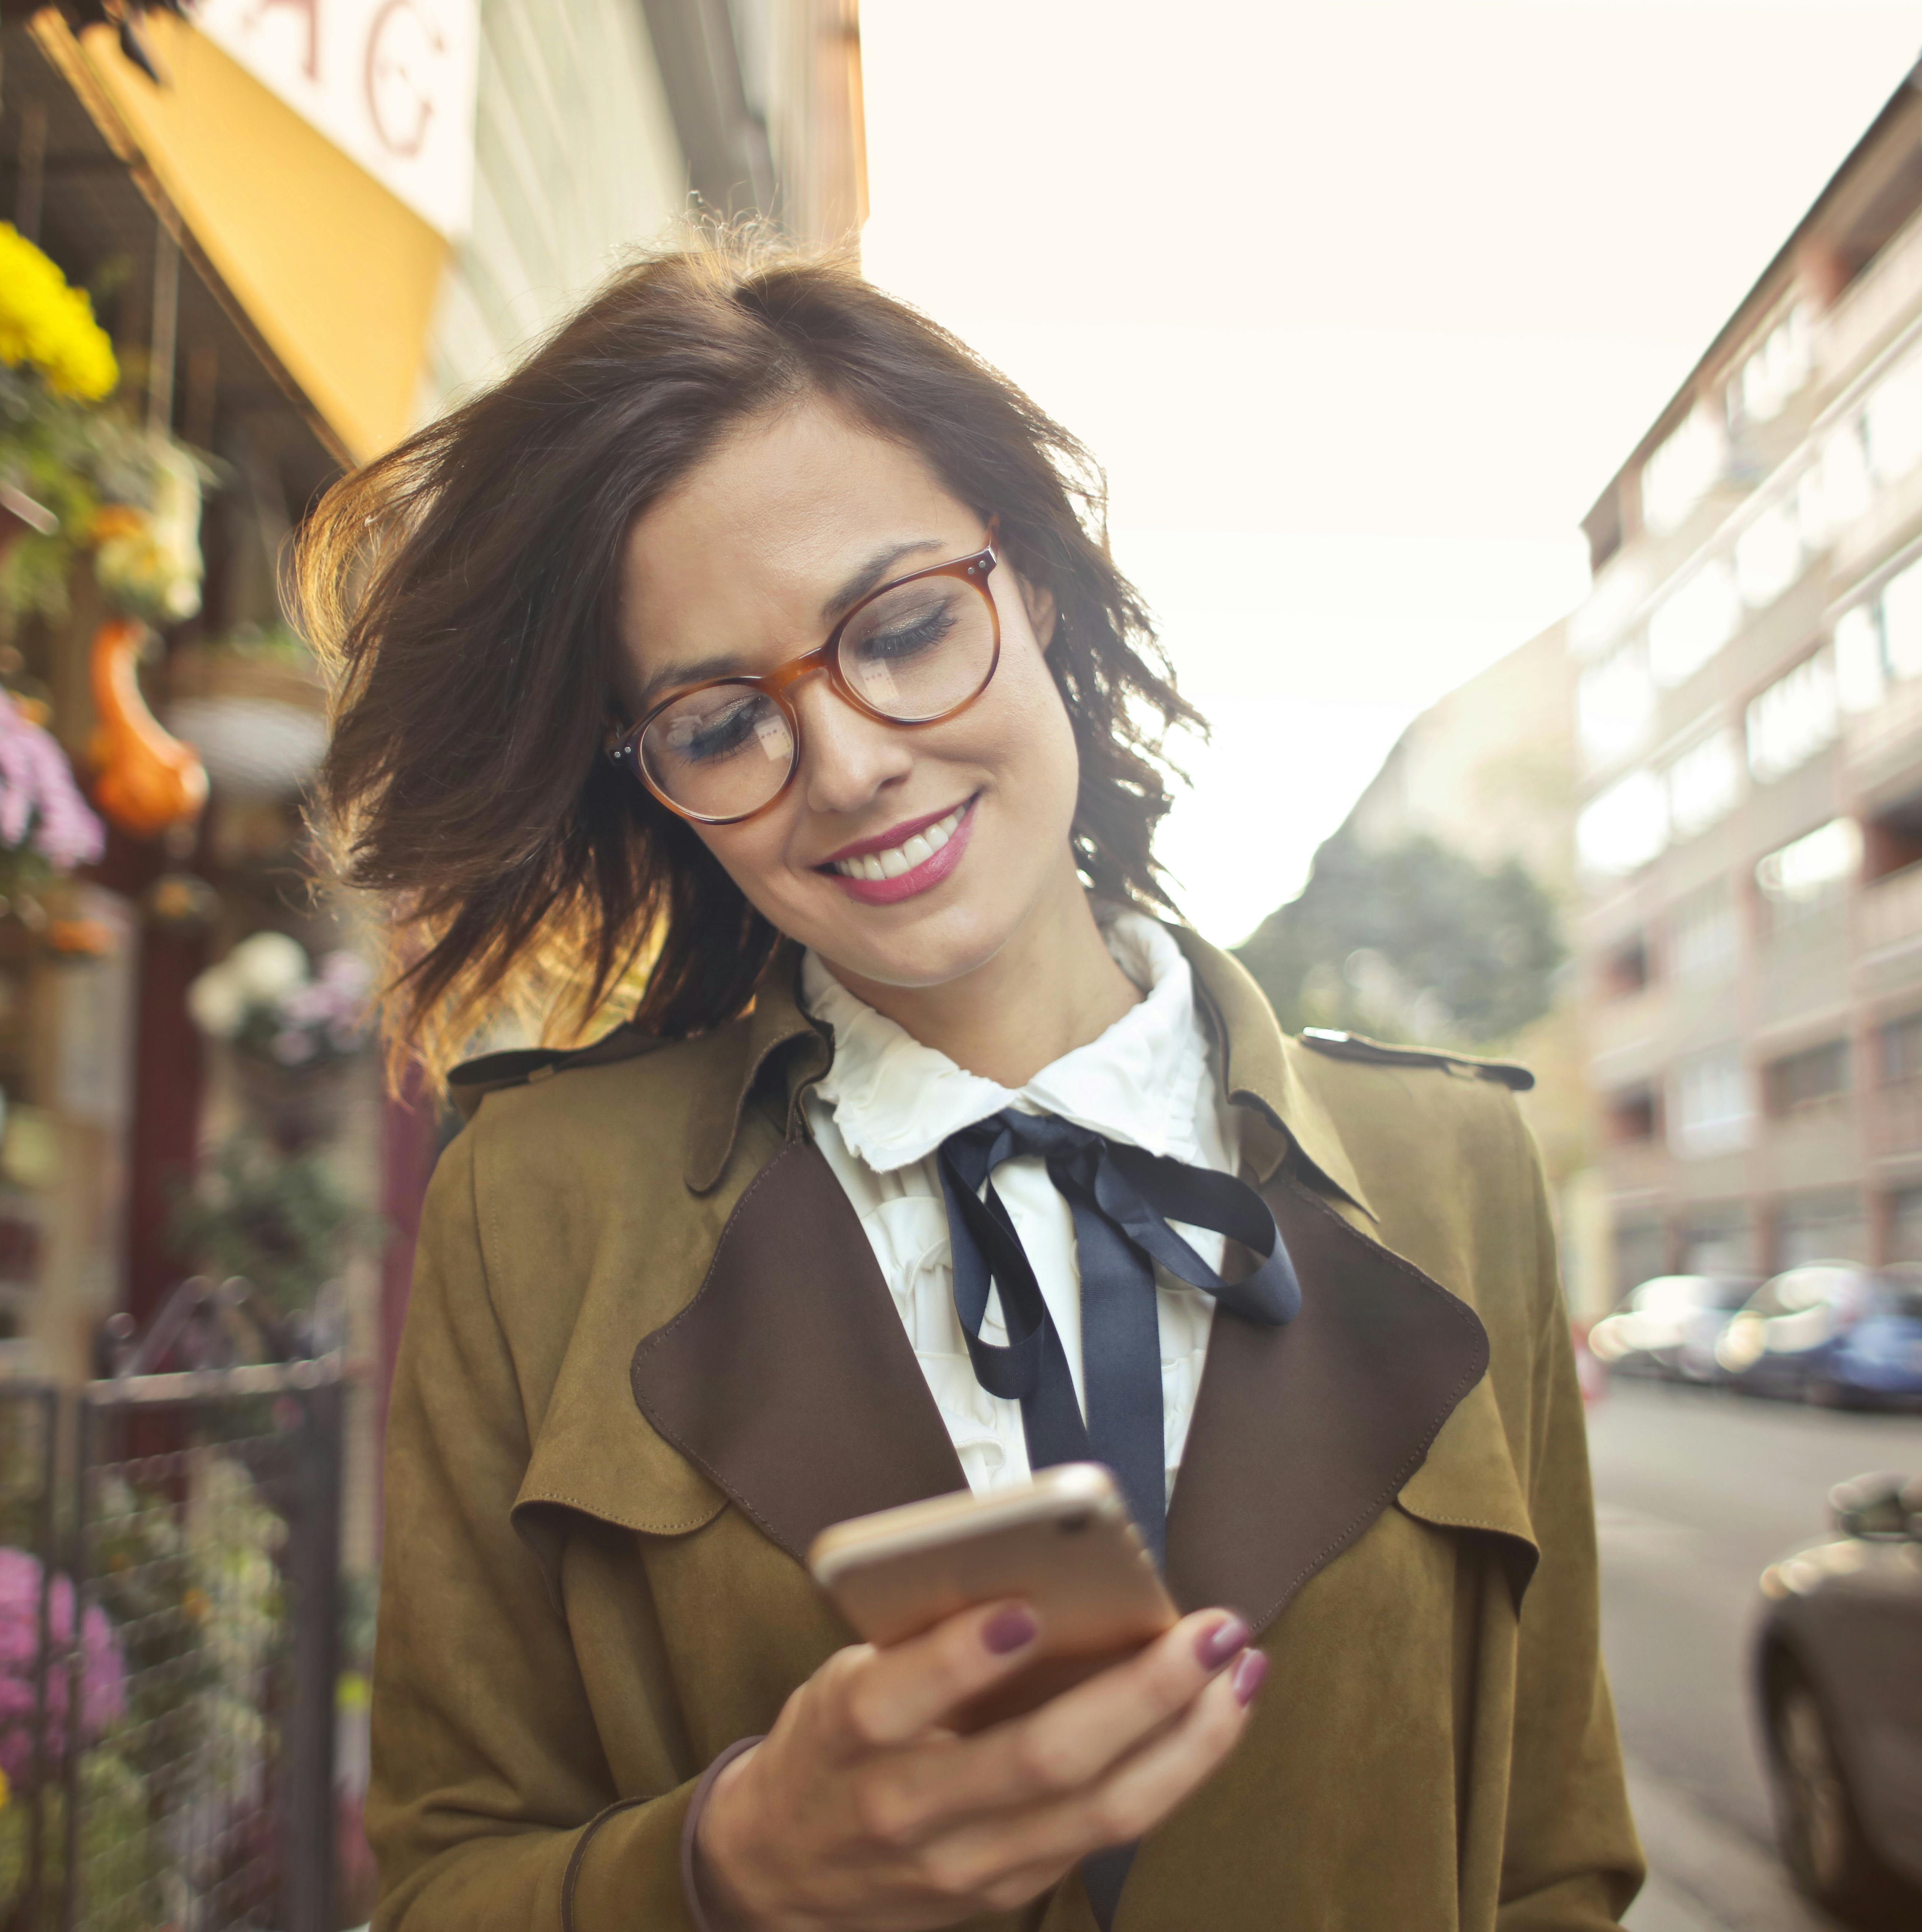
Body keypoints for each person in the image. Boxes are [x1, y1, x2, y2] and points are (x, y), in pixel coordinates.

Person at [302, 240, 1642, 1931]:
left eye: (906, 626)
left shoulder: (1459, 1167)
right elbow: (441, 1885)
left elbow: (1558, 1862)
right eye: (721, 724)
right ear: (663, 788)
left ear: (1038, 590)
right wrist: (729, 1862)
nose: (851, 763)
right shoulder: (541, 1197)